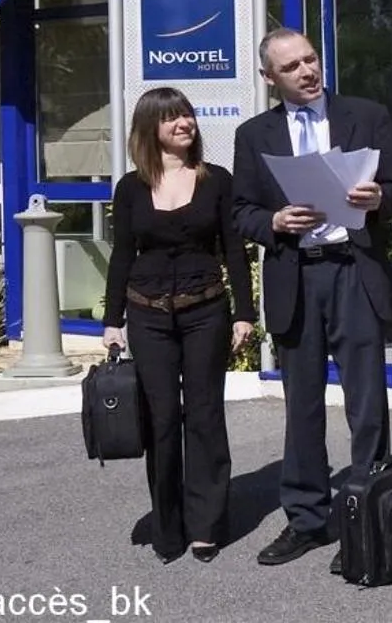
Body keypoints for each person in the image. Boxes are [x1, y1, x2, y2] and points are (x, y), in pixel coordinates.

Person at [233, 27, 392, 570]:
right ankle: (307, 522)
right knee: (302, 409)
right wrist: (275, 221)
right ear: (270, 79)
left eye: (311, 59)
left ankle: (366, 519)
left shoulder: (367, 114)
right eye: (292, 67)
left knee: (367, 406)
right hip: (297, 274)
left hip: (354, 271)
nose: (307, 71)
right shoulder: (254, 134)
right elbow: (241, 210)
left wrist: (380, 197)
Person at [103, 87, 256, 564]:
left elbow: (233, 250)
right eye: (171, 119)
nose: (183, 124)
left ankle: (207, 524)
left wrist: (244, 313)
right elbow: (123, 254)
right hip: (147, 314)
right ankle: (168, 526)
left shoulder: (217, 180)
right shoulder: (130, 187)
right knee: (163, 419)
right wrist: (112, 322)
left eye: (186, 115)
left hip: (205, 310)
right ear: (151, 129)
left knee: (206, 416)